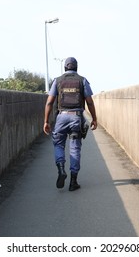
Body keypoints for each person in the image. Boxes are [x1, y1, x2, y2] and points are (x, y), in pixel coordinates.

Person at [43, 57, 97, 191]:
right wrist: (94, 119)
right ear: (76, 67)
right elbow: (90, 102)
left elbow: (49, 102)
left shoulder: (58, 80)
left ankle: (61, 169)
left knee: (59, 144)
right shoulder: (82, 80)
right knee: (75, 148)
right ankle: (73, 182)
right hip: (76, 118)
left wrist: (46, 121)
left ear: (65, 67)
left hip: (61, 117)